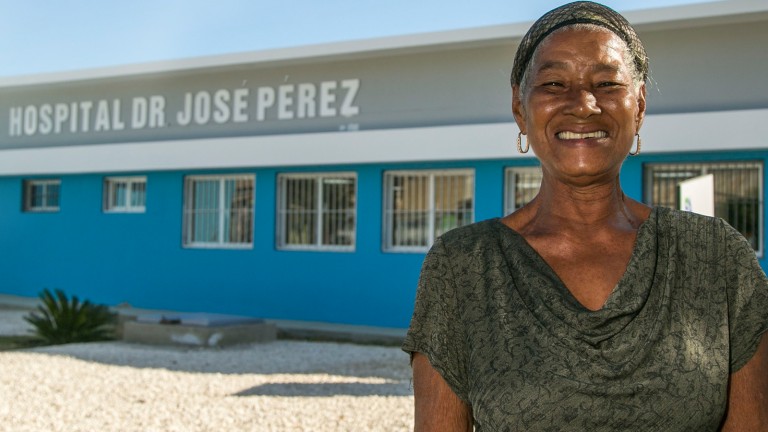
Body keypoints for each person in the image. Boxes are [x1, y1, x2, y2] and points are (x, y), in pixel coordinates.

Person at [401, 2, 768, 431]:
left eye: (607, 83)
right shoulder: (462, 265)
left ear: (640, 105)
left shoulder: (716, 257)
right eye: (554, 83)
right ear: (520, 109)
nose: (583, 104)